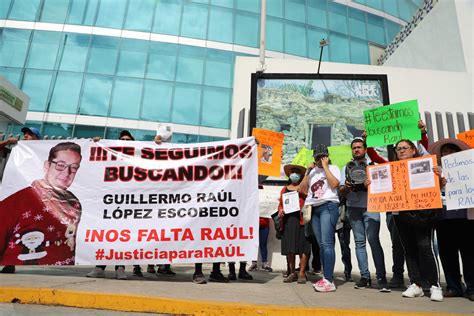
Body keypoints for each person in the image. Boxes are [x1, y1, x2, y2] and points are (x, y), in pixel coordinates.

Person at [368, 139, 443, 301]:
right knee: (408, 249)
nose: (401, 151)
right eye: (398, 149)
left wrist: (438, 174)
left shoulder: (424, 164)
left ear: (414, 150)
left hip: (424, 213)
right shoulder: (392, 168)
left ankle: (434, 285)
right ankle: (415, 284)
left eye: (405, 148)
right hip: (401, 214)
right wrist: (371, 182)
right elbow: (379, 178)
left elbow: (438, 183)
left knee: (425, 247)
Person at [0, 142, 82, 266]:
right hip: (24, 278)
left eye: (74, 167)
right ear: (47, 165)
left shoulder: (74, 203)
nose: (67, 172)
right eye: (60, 165)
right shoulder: (17, 201)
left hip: (63, 277)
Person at [340, 138, 390, 292]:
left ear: (365, 149)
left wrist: (371, 184)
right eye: (354, 148)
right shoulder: (346, 168)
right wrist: (347, 187)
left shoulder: (374, 167)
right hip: (353, 208)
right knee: (359, 242)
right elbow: (340, 191)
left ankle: (381, 277)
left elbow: (385, 186)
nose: (356, 150)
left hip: (371, 206)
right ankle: (365, 276)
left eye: (359, 147)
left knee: (374, 241)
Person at [429, 138, 474, 301]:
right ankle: (454, 286)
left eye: (451, 151)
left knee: (469, 254)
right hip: (443, 217)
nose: (448, 154)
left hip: (465, 216)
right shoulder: (436, 171)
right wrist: (438, 182)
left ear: (458, 153)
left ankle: (472, 288)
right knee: (447, 254)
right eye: (445, 151)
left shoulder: (469, 168)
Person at [300, 144, 341, 292]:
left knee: (327, 243)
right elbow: (302, 189)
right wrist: (307, 172)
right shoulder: (312, 172)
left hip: (328, 206)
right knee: (321, 244)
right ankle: (325, 277)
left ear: (327, 156)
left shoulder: (334, 168)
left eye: (323, 156)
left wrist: (326, 167)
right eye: (317, 157)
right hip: (314, 208)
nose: (320, 159)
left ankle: (329, 280)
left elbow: (335, 184)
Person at [278, 164, 311, 284]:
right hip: (289, 221)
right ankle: (292, 272)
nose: (294, 174)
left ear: (301, 175)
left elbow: (310, 198)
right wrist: (281, 210)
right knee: (290, 249)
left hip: (302, 220)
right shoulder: (284, 189)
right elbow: (280, 204)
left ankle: (302, 273)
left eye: (297, 172)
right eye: (293, 172)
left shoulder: (305, 187)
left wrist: (302, 192)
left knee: (303, 248)